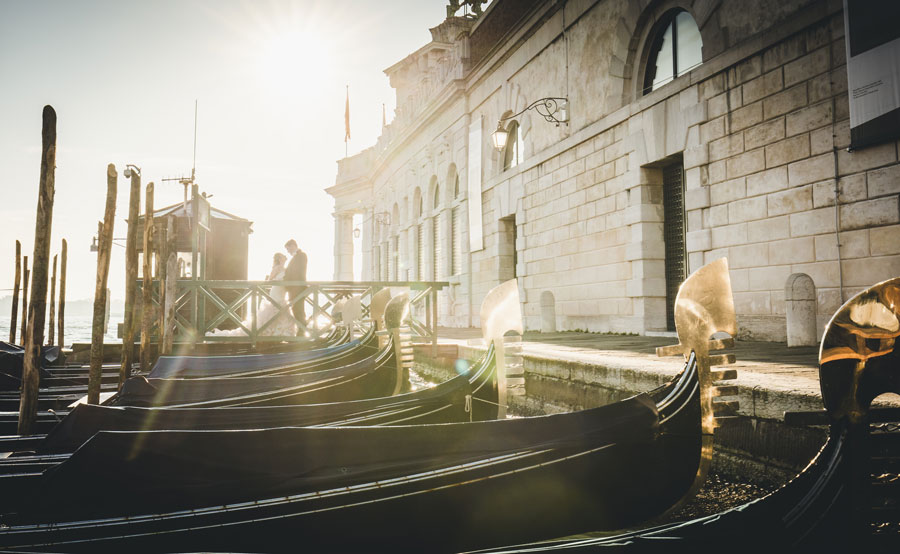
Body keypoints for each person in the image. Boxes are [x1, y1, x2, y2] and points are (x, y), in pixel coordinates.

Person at [212, 252, 296, 337]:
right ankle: (268, 332)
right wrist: (276, 281)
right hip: (276, 291)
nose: (285, 257)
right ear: (279, 259)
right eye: (282, 256)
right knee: (273, 312)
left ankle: (278, 333)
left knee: (282, 313)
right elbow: (269, 280)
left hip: (282, 292)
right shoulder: (277, 268)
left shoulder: (285, 269)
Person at [284, 239, 308, 332]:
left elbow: (298, 272)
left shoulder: (302, 255)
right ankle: (301, 332)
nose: (288, 251)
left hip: (298, 288)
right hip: (294, 289)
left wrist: (287, 280)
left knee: (299, 311)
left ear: (293, 246)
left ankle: (302, 333)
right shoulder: (296, 257)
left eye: (288, 249)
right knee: (296, 311)